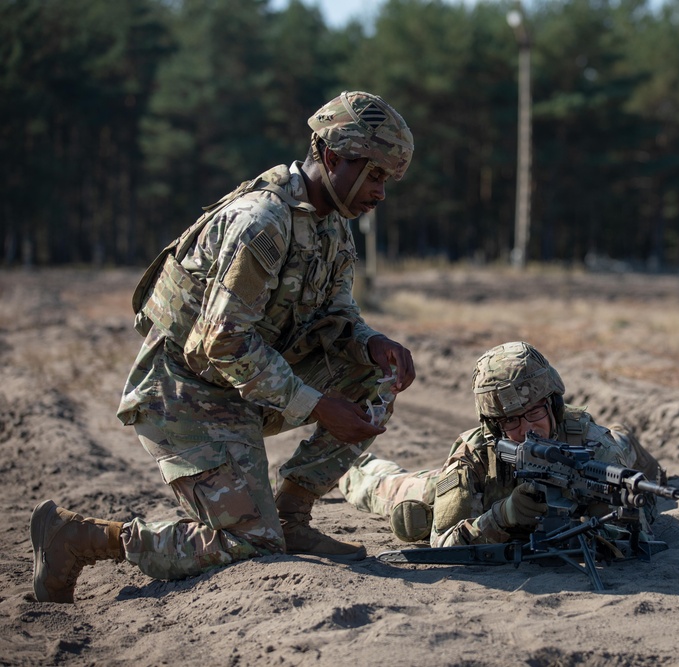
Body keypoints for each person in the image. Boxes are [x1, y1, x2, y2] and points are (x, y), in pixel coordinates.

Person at [31, 91, 416, 604]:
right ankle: (81, 540)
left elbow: (336, 317)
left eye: (386, 180)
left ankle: (292, 514)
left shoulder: (332, 228)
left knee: (374, 380)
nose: (381, 193)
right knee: (251, 545)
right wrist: (319, 405)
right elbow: (224, 343)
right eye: (374, 175)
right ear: (329, 157)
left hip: (242, 384)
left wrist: (373, 345)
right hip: (185, 392)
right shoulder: (262, 223)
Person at [339, 341, 667, 547]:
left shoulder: (597, 448)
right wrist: (502, 517)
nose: (526, 429)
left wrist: (596, 519)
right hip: (483, 497)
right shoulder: (475, 452)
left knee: (623, 446)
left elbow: (637, 535)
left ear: (553, 404)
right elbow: (444, 542)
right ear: (493, 426)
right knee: (397, 493)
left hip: (608, 450)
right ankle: (350, 466)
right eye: (511, 420)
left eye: (534, 412)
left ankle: (628, 439)